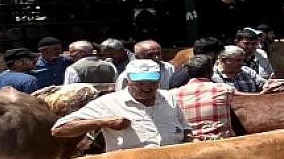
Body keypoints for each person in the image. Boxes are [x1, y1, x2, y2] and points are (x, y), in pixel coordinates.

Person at [52, 59, 189, 151]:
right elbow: (59, 129)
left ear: (159, 80)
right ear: (127, 81)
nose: (147, 87)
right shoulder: (108, 103)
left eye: (151, 82)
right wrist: (104, 122)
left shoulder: (169, 98)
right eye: (140, 83)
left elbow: (186, 130)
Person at [172, 54, 236, 140]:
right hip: (219, 143)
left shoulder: (173, 94)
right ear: (210, 73)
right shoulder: (224, 89)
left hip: (190, 144)